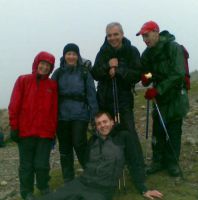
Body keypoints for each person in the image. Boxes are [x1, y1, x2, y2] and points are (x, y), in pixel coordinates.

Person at [37, 111, 163, 200]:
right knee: (53, 197)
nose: (103, 125)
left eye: (105, 122)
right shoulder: (93, 140)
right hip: (83, 182)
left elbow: (134, 163)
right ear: (96, 127)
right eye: (99, 123)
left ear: (112, 122)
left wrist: (143, 189)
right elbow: (87, 161)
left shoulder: (123, 137)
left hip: (102, 189)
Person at [136, 21, 189, 176]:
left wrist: (157, 90)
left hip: (175, 95)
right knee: (157, 130)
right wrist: (146, 78)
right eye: (143, 36)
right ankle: (157, 161)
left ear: (156, 33)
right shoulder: (147, 54)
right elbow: (149, 73)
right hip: (159, 97)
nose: (145, 39)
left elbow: (178, 74)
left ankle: (172, 163)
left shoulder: (173, 48)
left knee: (173, 129)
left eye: (147, 35)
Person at [91, 22, 143, 161]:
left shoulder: (131, 51)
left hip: (124, 100)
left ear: (122, 34)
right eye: (109, 35)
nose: (112, 38)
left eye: (115, 34)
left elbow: (138, 74)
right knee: (108, 134)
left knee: (129, 133)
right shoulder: (102, 53)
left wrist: (119, 70)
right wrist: (107, 66)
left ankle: (137, 166)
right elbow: (95, 73)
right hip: (104, 100)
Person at [8, 51, 58, 200]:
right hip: (25, 132)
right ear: (36, 63)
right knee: (26, 166)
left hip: (45, 134)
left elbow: (54, 110)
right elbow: (14, 105)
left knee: (42, 164)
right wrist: (14, 126)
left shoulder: (52, 85)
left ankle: (43, 187)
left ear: (51, 68)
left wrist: (53, 131)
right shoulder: (23, 80)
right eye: (42, 63)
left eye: (48, 65)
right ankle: (27, 192)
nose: (44, 67)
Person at [52, 43, 98, 182]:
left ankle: (91, 175)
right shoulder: (58, 73)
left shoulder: (84, 73)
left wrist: (94, 116)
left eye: (74, 54)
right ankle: (68, 179)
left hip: (80, 114)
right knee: (65, 148)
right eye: (68, 54)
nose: (71, 56)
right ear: (64, 56)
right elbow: (51, 96)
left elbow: (91, 95)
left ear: (78, 56)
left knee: (80, 144)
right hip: (62, 116)